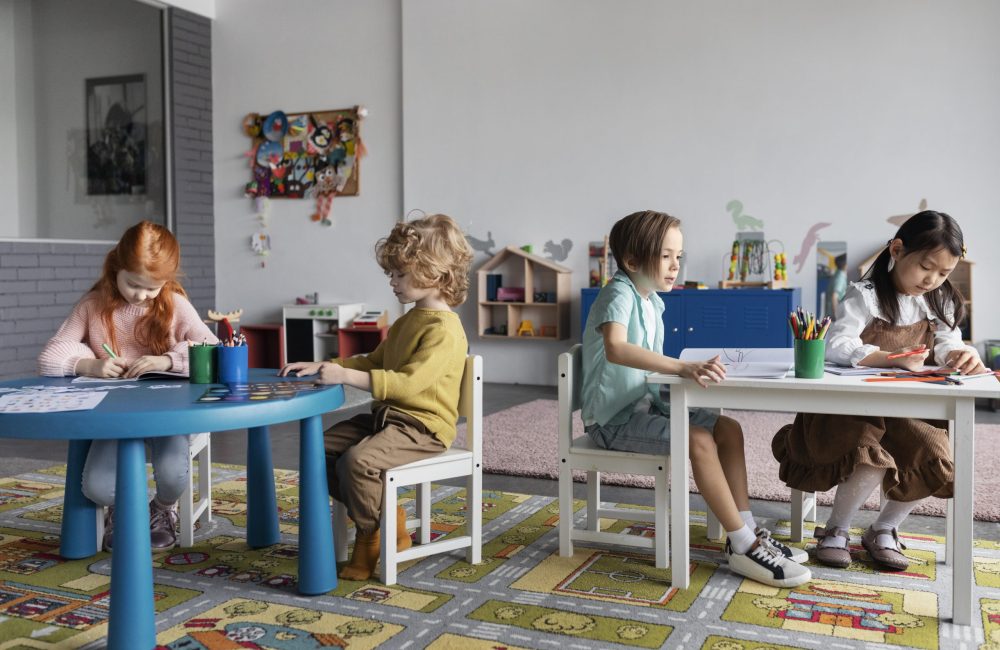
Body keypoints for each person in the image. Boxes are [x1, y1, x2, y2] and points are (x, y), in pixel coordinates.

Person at [582, 210, 810, 588]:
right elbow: (617, 349)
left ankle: (748, 529)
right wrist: (680, 368)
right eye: (666, 256)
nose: (675, 266)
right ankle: (743, 545)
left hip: (644, 407)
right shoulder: (618, 292)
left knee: (728, 428)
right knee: (699, 439)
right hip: (613, 421)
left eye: (678, 257)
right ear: (633, 261)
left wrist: (682, 371)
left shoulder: (652, 300)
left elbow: (646, 369)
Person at [773, 210, 985, 571]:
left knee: (934, 452)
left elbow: (948, 342)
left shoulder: (940, 299)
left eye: (944, 272)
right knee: (868, 455)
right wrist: (889, 358)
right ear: (898, 250)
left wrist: (962, 355)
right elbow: (837, 344)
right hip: (852, 410)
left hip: (905, 408)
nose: (932, 279)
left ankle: (885, 529)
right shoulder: (865, 295)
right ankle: (835, 529)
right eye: (925, 267)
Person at [280, 214, 473, 581]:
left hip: (422, 427)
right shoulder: (408, 320)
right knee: (319, 450)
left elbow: (408, 384)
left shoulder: (445, 330)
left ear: (434, 274)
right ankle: (387, 518)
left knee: (357, 462)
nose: (392, 281)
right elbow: (374, 361)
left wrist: (348, 376)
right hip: (388, 418)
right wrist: (327, 364)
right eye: (392, 273)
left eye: (400, 274)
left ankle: (372, 536)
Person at [38, 221, 218, 550]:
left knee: (172, 475)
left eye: (153, 287)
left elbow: (213, 350)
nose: (142, 296)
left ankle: (163, 509)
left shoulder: (173, 303)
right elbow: (50, 357)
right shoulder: (93, 304)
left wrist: (168, 360)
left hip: (167, 415)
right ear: (116, 267)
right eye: (133, 284)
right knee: (98, 488)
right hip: (114, 417)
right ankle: (121, 510)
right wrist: (89, 363)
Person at [826, 253, 848, 319]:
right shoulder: (840, 277)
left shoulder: (838, 273)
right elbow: (834, 296)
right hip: (834, 314)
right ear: (845, 265)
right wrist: (837, 315)